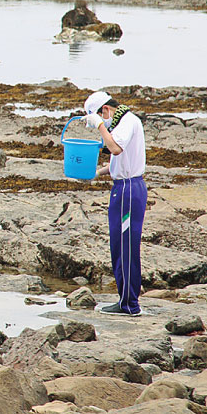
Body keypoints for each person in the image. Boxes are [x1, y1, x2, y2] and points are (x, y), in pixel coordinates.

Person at [84, 91, 146, 315]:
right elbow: (119, 160)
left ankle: (130, 304)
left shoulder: (127, 122)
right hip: (122, 188)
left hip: (129, 189)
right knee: (118, 246)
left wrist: (100, 125)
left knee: (127, 246)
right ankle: (124, 300)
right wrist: (97, 173)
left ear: (105, 111)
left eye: (100, 117)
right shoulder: (121, 124)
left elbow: (115, 148)